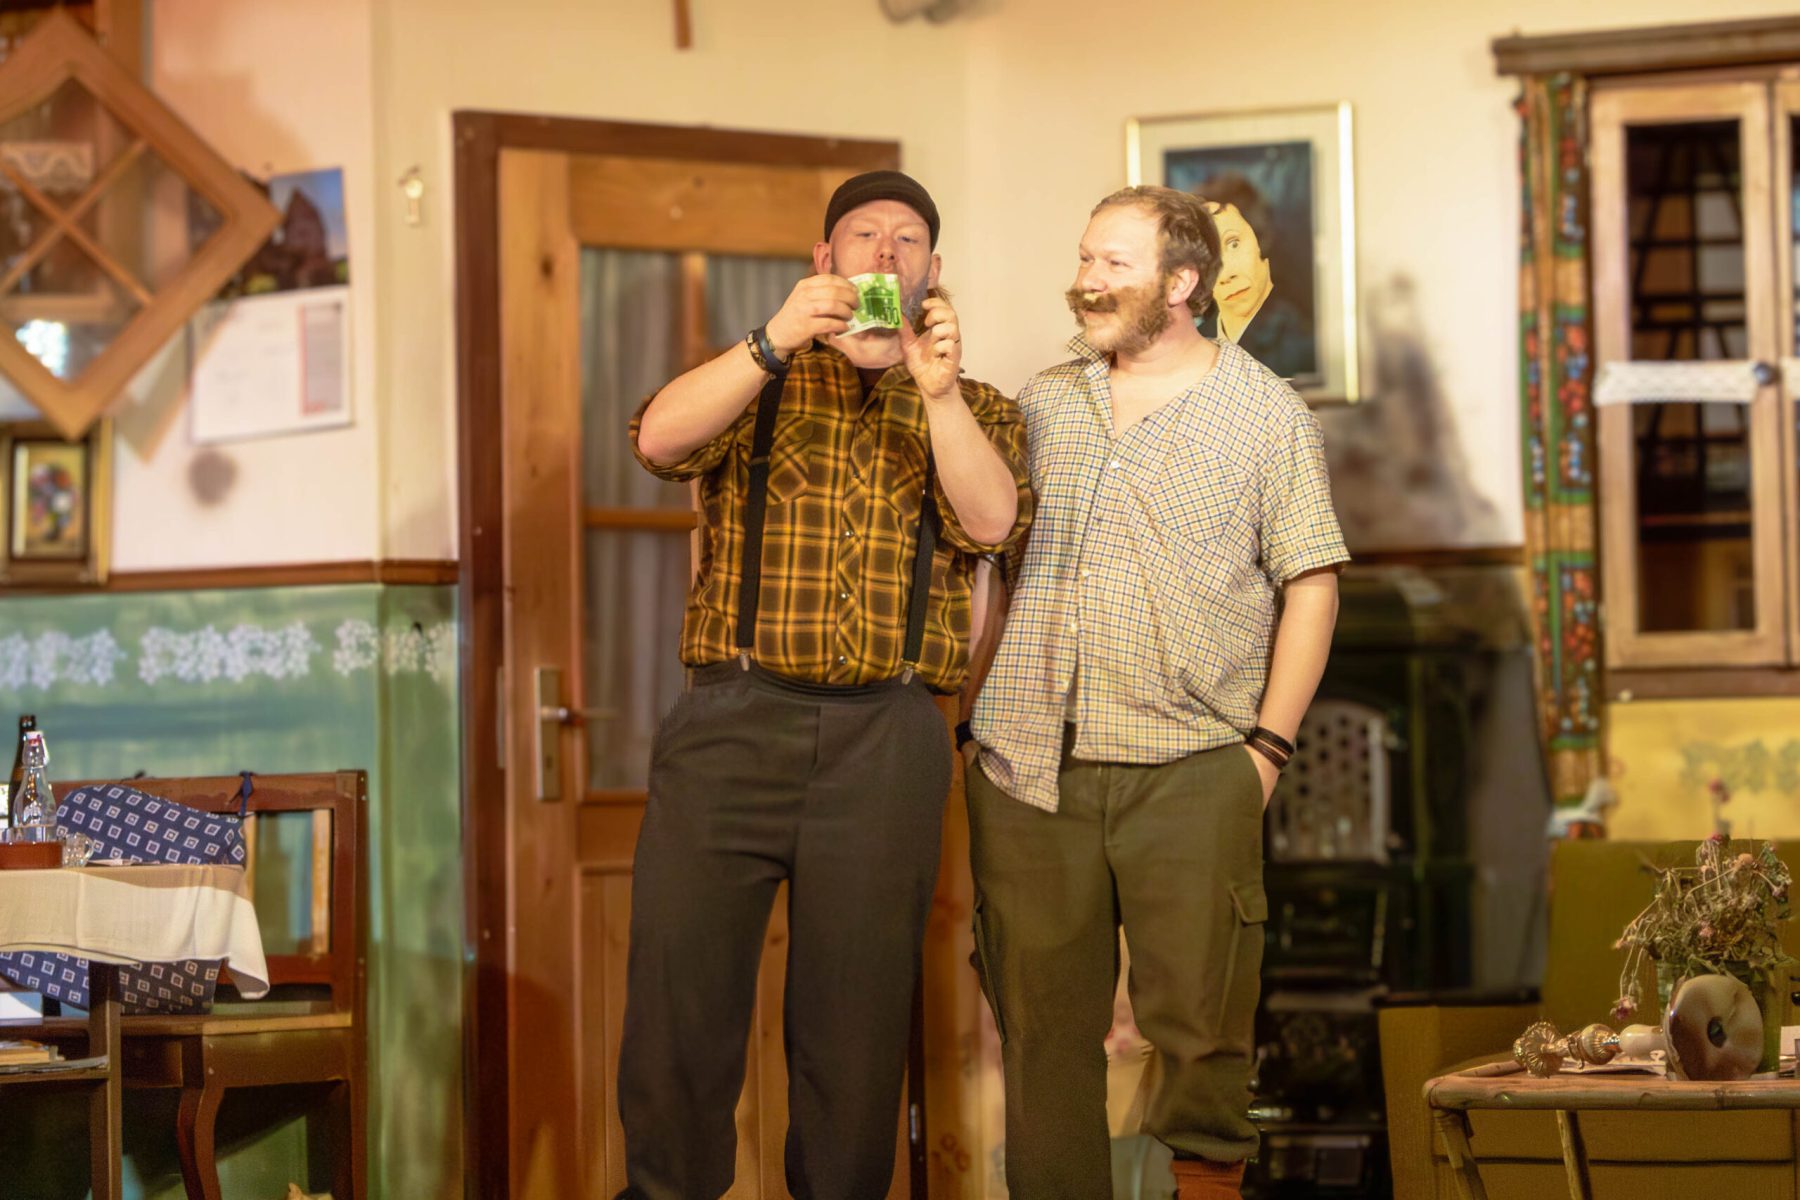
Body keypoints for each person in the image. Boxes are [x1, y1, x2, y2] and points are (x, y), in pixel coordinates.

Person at [618, 169, 1033, 1200]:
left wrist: (938, 392)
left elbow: (992, 522)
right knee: (679, 1010)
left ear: (933, 268)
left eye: (908, 238)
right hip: (731, 722)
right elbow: (657, 439)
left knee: (854, 1030)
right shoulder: (757, 377)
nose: (885, 251)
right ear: (824, 258)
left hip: (886, 737)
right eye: (862, 234)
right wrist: (772, 340)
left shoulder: (976, 404)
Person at [967, 185, 1346, 1200]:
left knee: (1201, 1031)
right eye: (1085, 259)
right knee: (1039, 1034)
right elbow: (987, 559)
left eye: (1114, 265)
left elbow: (1312, 585)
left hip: (1192, 765)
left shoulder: (1265, 414)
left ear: (1182, 283)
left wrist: (1266, 752)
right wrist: (963, 719)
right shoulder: (1044, 402)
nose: (1087, 281)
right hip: (1029, 766)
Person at [1195, 171, 1317, 381]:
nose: (1225, 271)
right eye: (1210, 250)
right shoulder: (1192, 335)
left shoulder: (1294, 332)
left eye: (1234, 244)